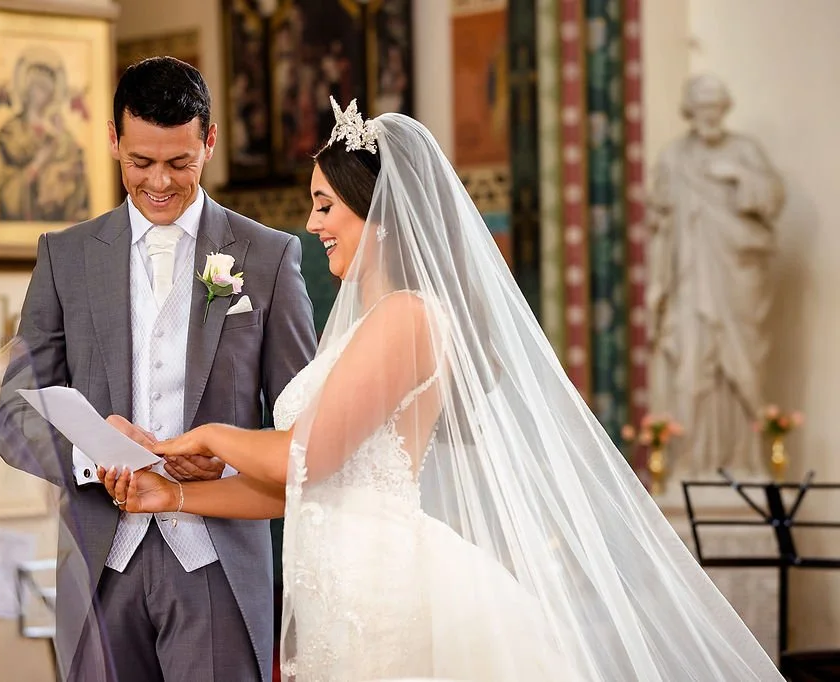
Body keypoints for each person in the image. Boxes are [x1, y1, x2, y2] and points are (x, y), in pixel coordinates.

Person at [101, 97, 783, 680]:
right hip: (342, 583)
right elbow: (298, 487)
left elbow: (306, 457)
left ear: (381, 214)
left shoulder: (410, 317)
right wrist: (177, 492)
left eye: (325, 205)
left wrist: (199, 438)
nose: (312, 226)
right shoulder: (366, 324)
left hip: (384, 587)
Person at [0, 56, 317, 682]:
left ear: (210, 141)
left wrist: (227, 457)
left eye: (180, 163)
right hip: (98, 565)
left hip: (217, 562)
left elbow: (304, 434)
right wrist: (96, 458)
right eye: (141, 163)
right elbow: (12, 419)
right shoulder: (64, 258)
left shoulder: (270, 258)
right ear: (113, 141)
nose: (160, 182)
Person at [647, 74, 785, 481]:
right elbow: (662, 227)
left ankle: (745, 461)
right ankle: (688, 463)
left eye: (716, 108)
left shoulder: (745, 152)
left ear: (725, 109)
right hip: (689, 283)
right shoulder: (674, 158)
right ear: (690, 111)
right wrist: (657, 283)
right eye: (701, 108)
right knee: (691, 368)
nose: (709, 116)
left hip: (736, 281)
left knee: (740, 366)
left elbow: (773, 199)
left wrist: (739, 175)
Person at [0, 47, 90, 222]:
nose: (42, 95)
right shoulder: (11, 129)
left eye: (47, 89)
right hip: (23, 200)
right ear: (27, 89)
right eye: (38, 87)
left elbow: (76, 163)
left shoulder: (60, 132)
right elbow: (7, 179)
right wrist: (38, 163)